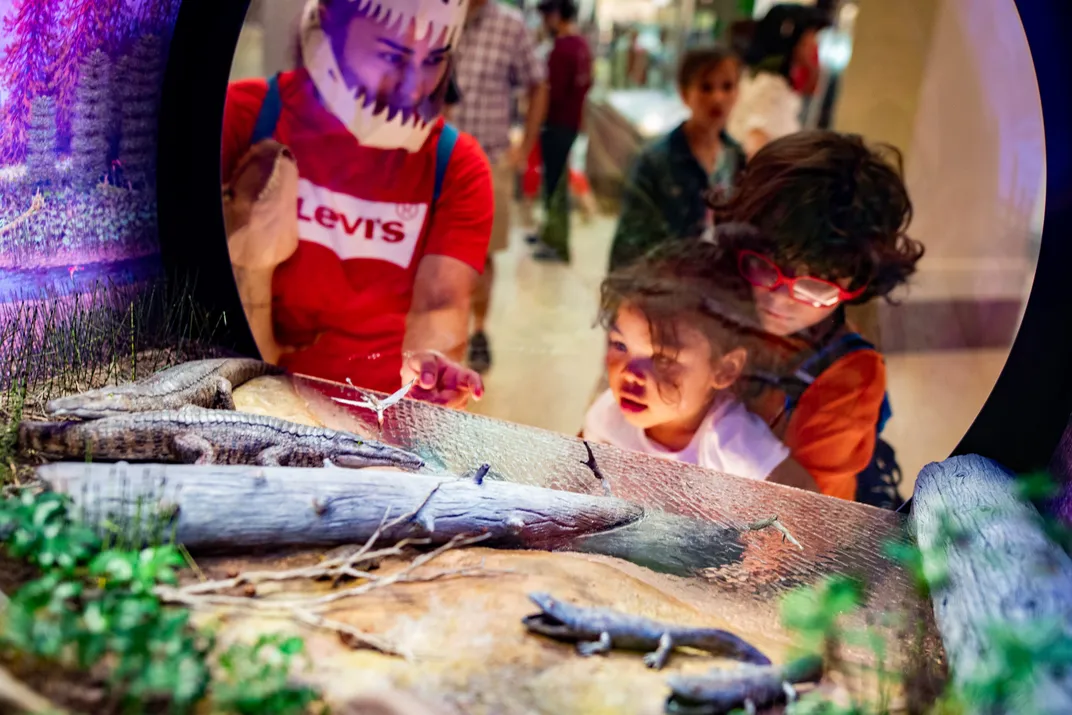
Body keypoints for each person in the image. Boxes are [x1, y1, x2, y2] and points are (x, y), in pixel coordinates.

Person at [220, 0, 493, 409]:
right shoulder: (240, 118)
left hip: (382, 422)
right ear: (329, 23)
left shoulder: (457, 164)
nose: (414, 86)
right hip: (251, 407)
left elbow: (442, 301)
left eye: (434, 60)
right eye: (391, 55)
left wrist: (431, 364)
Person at [708, 131, 926, 503]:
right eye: (766, 266)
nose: (781, 297)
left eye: (816, 285)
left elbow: (798, 511)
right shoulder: (714, 295)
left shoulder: (850, 377)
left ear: (857, 282)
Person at [582, 241, 794, 482]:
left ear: (725, 369)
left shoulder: (734, 445)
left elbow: (808, 508)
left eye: (663, 358)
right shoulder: (608, 415)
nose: (629, 373)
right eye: (620, 345)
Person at [450, 0, 549, 374]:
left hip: (487, 159)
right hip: (432, 157)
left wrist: (524, 147)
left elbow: (538, 84)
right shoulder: (434, 13)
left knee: (482, 253)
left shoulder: (510, 24)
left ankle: (478, 332)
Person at [608, 45, 746, 273]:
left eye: (727, 87)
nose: (718, 98)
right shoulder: (656, 160)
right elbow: (628, 244)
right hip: (667, 285)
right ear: (684, 93)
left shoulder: (735, 158)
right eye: (706, 87)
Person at [531, 0, 593, 263]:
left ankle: (556, 243)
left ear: (556, 15)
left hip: (556, 123)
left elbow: (549, 93)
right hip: (571, 122)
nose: (544, 22)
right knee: (556, 180)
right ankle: (548, 234)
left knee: (555, 184)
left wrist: (534, 117)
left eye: (546, 15)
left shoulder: (561, 49)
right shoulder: (582, 46)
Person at [727, 3, 828, 158]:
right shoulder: (769, 86)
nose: (814, 45)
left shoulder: (764, 76)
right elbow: (756, 144)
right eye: (810, 38)